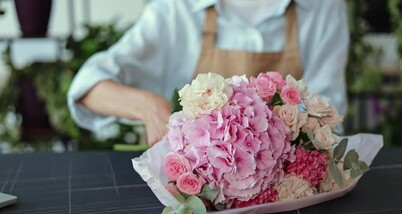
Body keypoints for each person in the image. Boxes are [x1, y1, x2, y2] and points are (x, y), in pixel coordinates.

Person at [67, 0, 349, 146]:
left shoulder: (323, 8)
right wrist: (148, 107)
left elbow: (328, 117)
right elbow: (88, 86)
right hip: (199, 204)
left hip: (292, 200)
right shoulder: (177, 10)